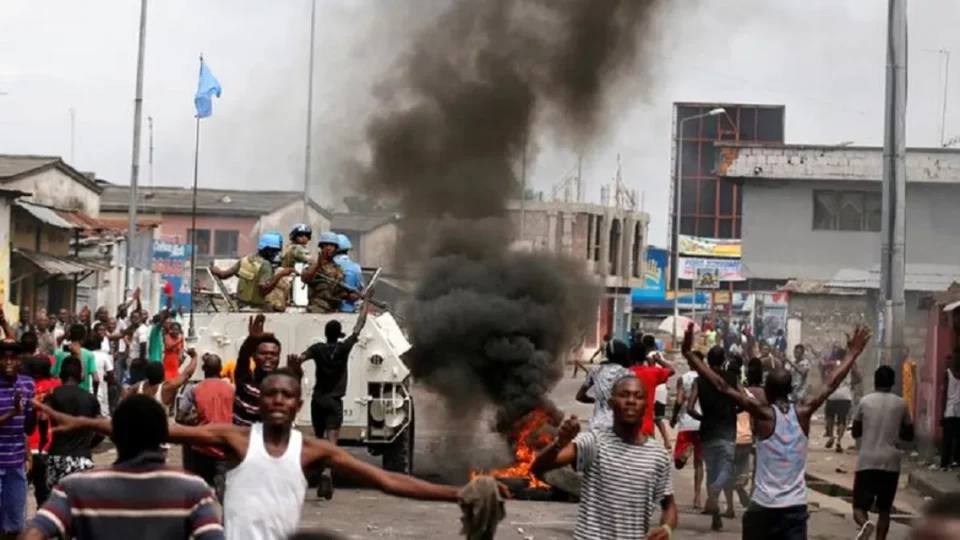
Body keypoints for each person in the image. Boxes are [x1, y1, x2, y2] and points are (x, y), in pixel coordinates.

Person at [36, 370, 491, 540]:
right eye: (270, 393)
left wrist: (457, 493)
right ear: (260, 402)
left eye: (285, 395)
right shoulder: (236, 439)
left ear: (297, 404)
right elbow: (160, 429)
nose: (277, 400)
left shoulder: (313, 450)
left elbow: (389, 481)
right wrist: (85, 423)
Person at [682, 322, 870, 540]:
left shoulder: (764, 415)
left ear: (768, 391)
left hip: (763, 507)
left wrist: (690, 355)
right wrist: (853, 353)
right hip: (795, 508)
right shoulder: (804, 413)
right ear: (789, 390)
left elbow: (721, 386)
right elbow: (830, 383)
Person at [24, 395, 224, 539]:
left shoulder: (74, 488)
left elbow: (34, 533)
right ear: (164, 438)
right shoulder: (193, 489)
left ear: (115, 437)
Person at [531, 373, 678, 539]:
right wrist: (559, 444)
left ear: (646, 406)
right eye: (624, 395)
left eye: (638, 397)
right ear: (610, 403)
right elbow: (539, 468)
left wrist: (666, 528)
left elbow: (669, 506)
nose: (631, 401)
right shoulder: (593, 442)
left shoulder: (658, 456)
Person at [302, 304, 369, 499]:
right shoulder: (344, 348)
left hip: (318, 400)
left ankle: (317, 471)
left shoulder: (317, 349)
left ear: (325, 334)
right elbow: (359, 326)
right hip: (334, 402)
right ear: (338, 335)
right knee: (332, 442)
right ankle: (327, 471)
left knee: (319, 438)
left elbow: (300, 359)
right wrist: (365, 303)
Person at [851, 365, 915, 540]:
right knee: (885, 509)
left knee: (859, 507)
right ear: (893, 382)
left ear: (875, 381)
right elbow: (910, 435)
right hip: (890, 463)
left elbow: (855, 432)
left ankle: (865, 523)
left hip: (867, 461)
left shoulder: (865, 401)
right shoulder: (901, 404)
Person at [177, 353, 234, 502]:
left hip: (202, 443)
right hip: (224, 443)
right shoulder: (232, 389)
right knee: (223, 478)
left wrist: (195, 419)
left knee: (198, 485)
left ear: (203, 369)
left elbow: (180, 417)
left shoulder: (194, 389)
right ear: (220, 369)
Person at [43, 356, 104, 493]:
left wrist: (43, 441)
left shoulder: (52, 395)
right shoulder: (90, 398)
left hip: (57, 456)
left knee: (57, 500)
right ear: (80, 375)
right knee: (81, 501)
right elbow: (101, 431)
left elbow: (42, 417)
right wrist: (89, 445)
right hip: (82, 458)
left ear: (61, 373)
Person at [0, 338, 34, 539]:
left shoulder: (27, 384)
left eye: (13, 357)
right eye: (4, 357)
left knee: (15, 526)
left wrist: (28, 455)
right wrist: (13, 412)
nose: (9, 362)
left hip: (16, 464)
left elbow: (27, 428)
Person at [21, 335, 60, 507]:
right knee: (44, 494)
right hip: (46, 445)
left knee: (20, 492)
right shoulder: (56, 385)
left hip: (25, 445)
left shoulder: (23, 386)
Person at [210, 232, 294, 311]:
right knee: (280, 308)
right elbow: (263, 291)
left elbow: (223, 275)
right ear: (267, 250)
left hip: (240, 305)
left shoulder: (245, 259)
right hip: (257, 308)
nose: (275, 254)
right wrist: (281, 274)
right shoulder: (265, 265)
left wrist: (216, 270)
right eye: (274, 251)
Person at [669, 350, 703, 509]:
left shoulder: (683, 379)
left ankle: (685, 452)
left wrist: (673, 418)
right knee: (699, 463)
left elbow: (679, 400)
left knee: (677, 462)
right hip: (701, 423)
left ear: (689, 363)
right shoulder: (706, 379)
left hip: (686, 423)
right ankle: (697, 497)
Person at [629, 338, 673, 450]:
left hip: (628, 428)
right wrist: (658, 360)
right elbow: (671, 370)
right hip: (647, 428)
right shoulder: (652, 372)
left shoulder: (625, 372)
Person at [576, 340, 630, 431]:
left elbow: (579, 396)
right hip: (618, 427)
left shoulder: (595, 371)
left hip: (596, 426)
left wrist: (597, 400)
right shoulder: (628, 374)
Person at [302, 231, 356, 314]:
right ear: (321, 247)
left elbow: (341, 292)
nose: (329, 248)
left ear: (336, 249)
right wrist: (317, 265)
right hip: (316, 309)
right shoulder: (313, 265)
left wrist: (351, 296)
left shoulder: (338, 269)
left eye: (332, 246)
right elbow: (306, 278)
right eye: (326, 245)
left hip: (333, 310)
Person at [128, 349, 198, 408]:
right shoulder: (166, 388)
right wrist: (194, 357)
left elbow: (125, 403)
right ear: (162, 376)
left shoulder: (137, 387)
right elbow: (187, 374)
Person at [824, 349, 859, 453]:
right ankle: (839, 440)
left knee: (830, 416)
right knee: (842, 419)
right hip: (845, 394)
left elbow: (826, 375)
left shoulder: (831, 364)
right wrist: (849, 383)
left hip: (832, 394)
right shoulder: (850, 365)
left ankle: (831, 436)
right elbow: (858, 378)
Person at [642, 335, 673, 450]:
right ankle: (666, 441)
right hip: (662, 388)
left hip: (655, 388)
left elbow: (652, 372)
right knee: (658, 417)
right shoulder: (659, 354)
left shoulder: (649, 356)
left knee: (651, 416)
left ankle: (653, 440)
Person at [51, 325, 98, 394]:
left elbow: (52, 373)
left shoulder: (57, 353)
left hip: (61, 393)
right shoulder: (89, 354)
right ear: (84, 338)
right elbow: (96, 379)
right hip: (82, 393)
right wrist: (95, 393)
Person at [939, 351, 960, 470]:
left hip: (949, 411)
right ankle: (955, 460)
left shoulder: (947, 374)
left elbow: (944, 395)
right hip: (957, 411)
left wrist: (942, 414)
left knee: (947, 439)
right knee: (958, 438)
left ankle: (944, 463)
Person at [334, 233, 364, 312]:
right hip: (348, 309)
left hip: (328, 308)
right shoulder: (356, 267)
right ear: (347, 250)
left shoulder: (326, 265)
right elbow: (361, 287)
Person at [86, 333, 113, 417]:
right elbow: (110, 373)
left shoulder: (85, 355)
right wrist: (109, 381)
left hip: (86, 390)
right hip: (100, 390)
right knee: (103, 415)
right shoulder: (104, 356)